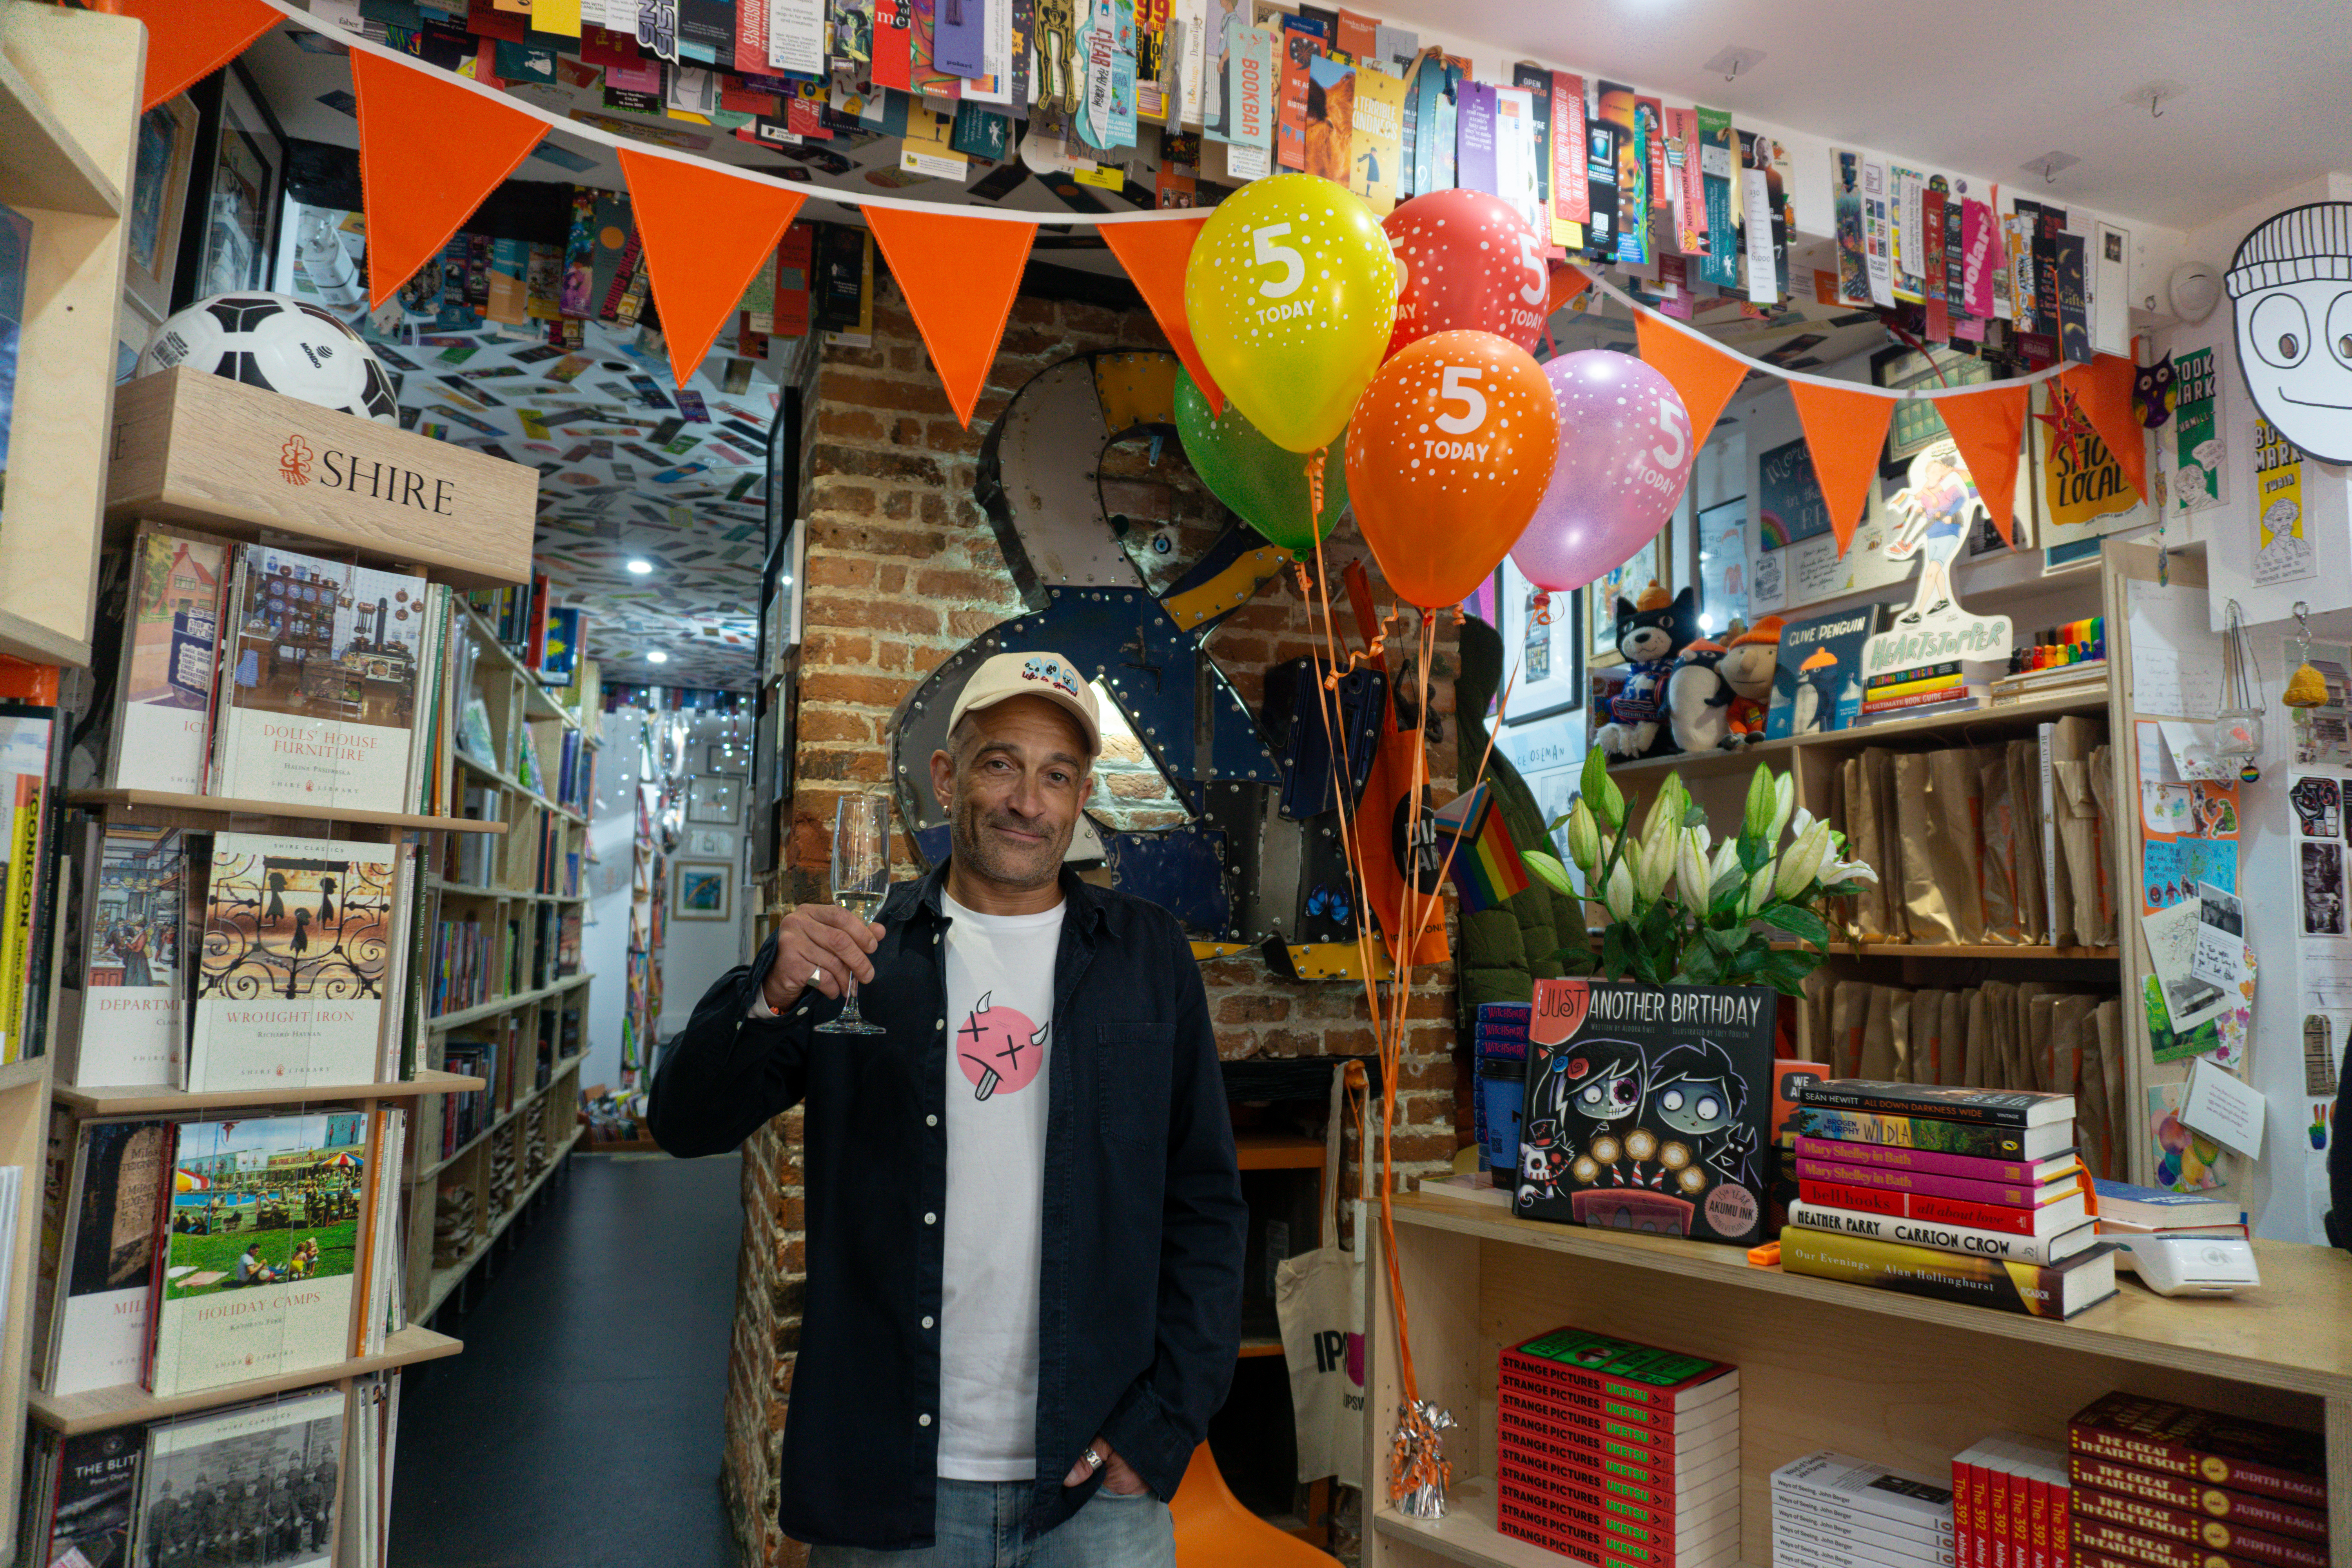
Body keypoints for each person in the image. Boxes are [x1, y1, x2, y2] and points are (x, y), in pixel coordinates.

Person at [651, 651, 1246, 1565]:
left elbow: (1205, 1203)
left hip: (1096, 1487)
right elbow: (685, 1122)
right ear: (946, 775)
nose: (1028, 801)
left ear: (1082, 792)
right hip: (898, 1481)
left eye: (1057, 775)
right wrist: (766, 989)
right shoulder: (861, 954)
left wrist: (1162, 1424)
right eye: (1000, 763)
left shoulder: (1146, 955)